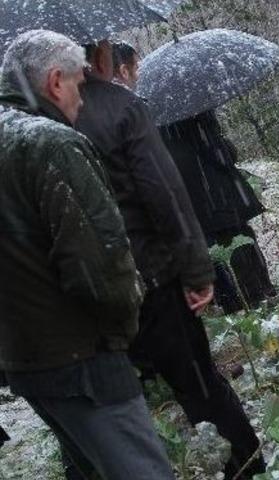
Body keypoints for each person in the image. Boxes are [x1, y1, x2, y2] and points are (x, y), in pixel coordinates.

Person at [74, 40, 266, 479]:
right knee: (200, 384)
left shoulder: (30, 125)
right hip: (150, 277)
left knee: (113, 410)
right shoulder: (121, 108)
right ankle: (248, 466)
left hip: (86, 291)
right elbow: (166, 198)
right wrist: (196, 272)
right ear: (102, 58)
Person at [0, 30, 175, 479]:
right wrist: (123, 324)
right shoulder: (54, 146)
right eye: (80, 83)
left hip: (23, 358)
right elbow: (100, 266)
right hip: (83, 357)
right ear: (56, 82)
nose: (83, 99)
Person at [114, 44, 278, 313]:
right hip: (219, 195)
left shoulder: (147, 113)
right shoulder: (192, 106)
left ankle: (232, 302)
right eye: (136, 65)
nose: (139, 69)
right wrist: (227, 149)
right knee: (241, 242)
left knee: (215, 251)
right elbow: (220, 153)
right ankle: (259, 296)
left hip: (194, 200)